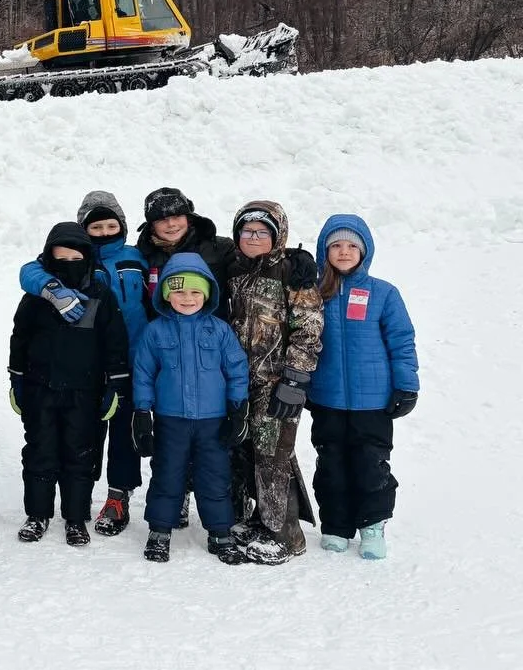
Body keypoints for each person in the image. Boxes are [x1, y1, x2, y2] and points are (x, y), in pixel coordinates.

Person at [17, 191, 149, 536]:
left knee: (122, 435)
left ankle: (117, 498)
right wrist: (50, 288)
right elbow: (30, 271)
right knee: (82, 439)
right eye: (96, 226)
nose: (104, 232)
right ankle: (74, 503)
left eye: (111, 224)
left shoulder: (136, 257)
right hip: (80, 370)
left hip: (130, 361)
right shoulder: (64, 265)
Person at [308, 215, 419, 560]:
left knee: (371, 464)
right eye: (335, 246)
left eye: (351, 246)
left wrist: (406, 384)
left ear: (364, 251)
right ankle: (336, 526)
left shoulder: (383, 293)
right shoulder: (314, 293)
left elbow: (402, 341)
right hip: (327, 398)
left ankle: (372, 524)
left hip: (373, 402)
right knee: (331, 465)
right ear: (324, 252)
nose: (343, 252)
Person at [131, 255, 250, 565]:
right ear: (167, 295)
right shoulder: (155, 332)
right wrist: (142, 413)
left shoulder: (220, 331)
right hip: (172, 420)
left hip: (213, 421)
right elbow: (143, 373)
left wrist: (238, 410)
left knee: (215, 476)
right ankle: (159, 530)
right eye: (180, 292)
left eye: (195, 292)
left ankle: (220, 531)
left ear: (207, 294)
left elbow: (237, 369)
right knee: (167, 474)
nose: (187, 299)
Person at [225, 201, 323, 565]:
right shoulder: (233, 270)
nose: (253, 237)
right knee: (246, 451)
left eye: (261, 231)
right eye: (246, 231)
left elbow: (309, 327)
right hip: (238, 382)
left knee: (273, 456)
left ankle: (285, 535)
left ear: (277, 234)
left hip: (277, 383)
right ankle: (259, 519)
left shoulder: (291, 272)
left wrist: (295, 379)